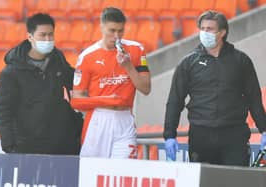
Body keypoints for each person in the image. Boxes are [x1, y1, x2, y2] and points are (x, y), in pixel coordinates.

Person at [163, 10, 266, 166]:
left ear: (222, 32)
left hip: (234, 134)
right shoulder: (188, 63)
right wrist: (169, 135)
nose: (204, 32)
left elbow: (254, 98)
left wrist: (264, 129)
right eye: (202, 28)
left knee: (236, 181)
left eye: (209, 29)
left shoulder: (241, 61)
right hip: (201, 135)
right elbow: (175, 101)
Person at [0, 13, 83, 155]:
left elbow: (76, 82)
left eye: (50, 35)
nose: (47, 39)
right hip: (29, 145)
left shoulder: (58, 60)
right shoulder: (11, 72)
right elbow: (4, 110)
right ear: (30, 37)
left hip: (63, 144)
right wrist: (9, 146)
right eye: (42, 35)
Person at [71, 7, 151, 158]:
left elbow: (146, 89)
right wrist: (105, 100)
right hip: (98, 120)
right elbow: (76, 100)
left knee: (123, 174)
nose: (116, 36)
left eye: (120, 31)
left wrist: (128, 67)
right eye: (112, 30)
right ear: (101, 27)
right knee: (92, 176)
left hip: (124, 118)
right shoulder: (87, 56)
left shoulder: (136, 49)